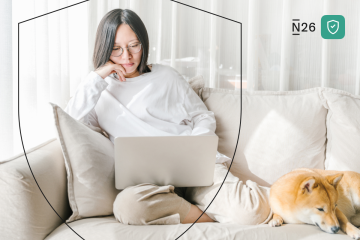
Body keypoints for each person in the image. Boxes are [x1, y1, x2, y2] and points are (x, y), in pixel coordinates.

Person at [65, 8, 272, 225]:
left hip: (194, 168)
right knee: (128, 207)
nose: (126, 56)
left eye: (134, 45)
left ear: (143, 43)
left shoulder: (166, 76)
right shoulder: (99, 91)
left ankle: (253, 202)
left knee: (252, 213)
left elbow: (202, 116)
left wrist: (197, 147)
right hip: (146, 184)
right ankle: (208, 216)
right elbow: (72, 121)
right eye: (116, 49)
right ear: (105, 48)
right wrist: (97, 76)